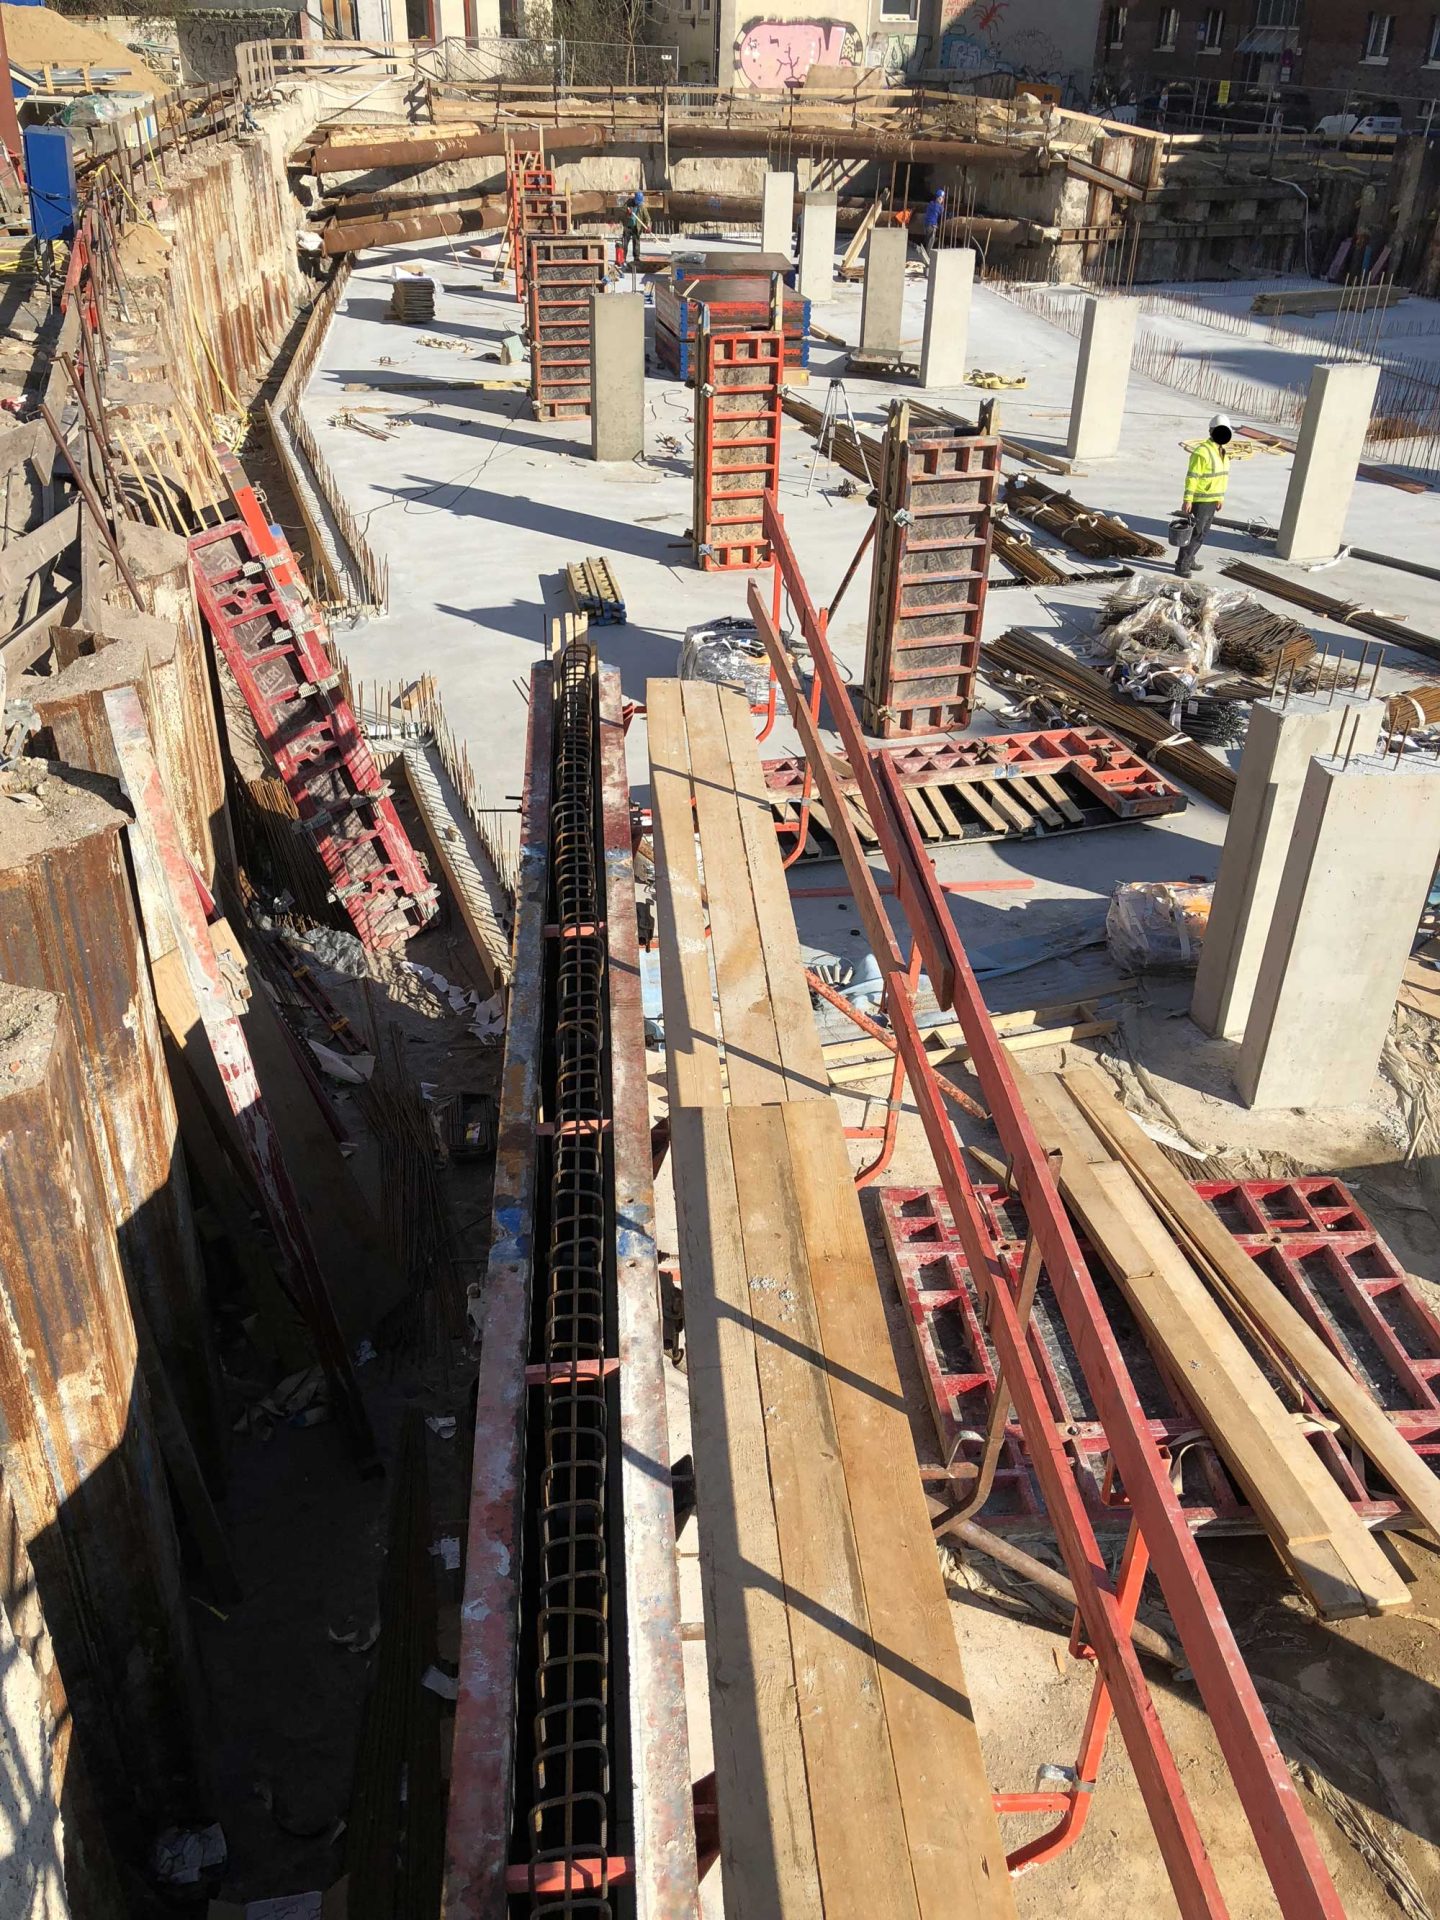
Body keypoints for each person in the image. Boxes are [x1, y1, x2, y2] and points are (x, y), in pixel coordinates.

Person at [1175, 413, 1233, 576]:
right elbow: (1192, 476)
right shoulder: (1202, 452)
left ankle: (1190, 557)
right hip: (1200, 500)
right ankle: (1182, 564)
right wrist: (1188, 499)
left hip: (1212, 500)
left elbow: (1221, 477)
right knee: (1194, 533)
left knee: (1203, 533)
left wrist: (1220, 498)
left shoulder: (1221, 452)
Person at [622, 187, 651, 270]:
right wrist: (627, 212)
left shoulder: (642, 207)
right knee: (625, 243)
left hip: (636, 227)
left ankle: (636, 258)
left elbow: (647, 218)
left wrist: (648, 226)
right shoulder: (629, 202)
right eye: (637, 201)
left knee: (636, 243)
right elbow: (623, 209)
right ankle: (623, 258)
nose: (637, 203)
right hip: (628, 226)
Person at [919, 187, 946, 266]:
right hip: (932, 226)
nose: (941, 200)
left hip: (926, 225)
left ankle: (925, 257)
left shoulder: (931, 204)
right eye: (941, 198)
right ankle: (927, 260)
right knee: (930, 243)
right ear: (938, 198)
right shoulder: (938, 207)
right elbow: (943, 213)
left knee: (927, 241)